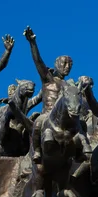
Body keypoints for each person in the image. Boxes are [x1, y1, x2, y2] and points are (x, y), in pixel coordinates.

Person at [23, 25, 74, 161]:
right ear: (57, 65)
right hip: (48, 116)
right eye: (64, 64)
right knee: (38, 122)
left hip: (66, 120)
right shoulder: (48, 80)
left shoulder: (69, 86)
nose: (67, 67)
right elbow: (38, 62)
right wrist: (33, 43)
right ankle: (37, 151)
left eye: (70, 64)